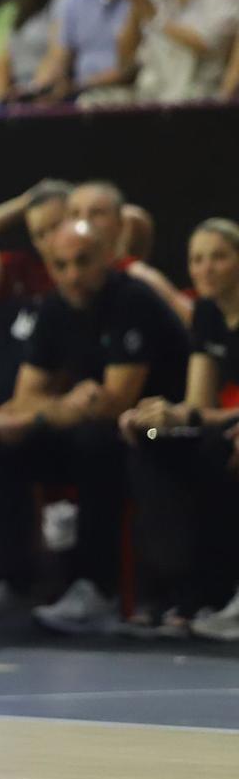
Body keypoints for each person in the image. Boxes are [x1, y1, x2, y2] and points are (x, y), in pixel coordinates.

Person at [0, 218, 192, 634]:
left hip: (159, 431)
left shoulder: (132, 301)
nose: (73, 275)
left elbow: (112, 401)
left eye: (82, 262)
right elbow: (28, 396)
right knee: (8, 445)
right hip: (94, 426)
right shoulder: (53, 306)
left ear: (106, 257)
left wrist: (47, 410)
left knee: (95, 443)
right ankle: (11, 584)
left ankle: (96, 590)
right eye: (61, 265)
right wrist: (53, 409)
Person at [120, 218, 239, 638]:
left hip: (228, 435)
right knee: (151, 444)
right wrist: (156, 416)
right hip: (213, 428)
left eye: (219, 258)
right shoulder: (206, 314)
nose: (206, 269)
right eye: (197, 260)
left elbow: (201, 415)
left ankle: (221, 593)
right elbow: (197, 404)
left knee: (214, 454)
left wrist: (185, 416)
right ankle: (176, 591)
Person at [67, 178, 193, 317]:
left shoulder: (138, 276)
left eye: (97, 213)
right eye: (75, 213)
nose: (84, 221)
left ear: (119, 223)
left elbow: (193, 320)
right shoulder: (64, 278)